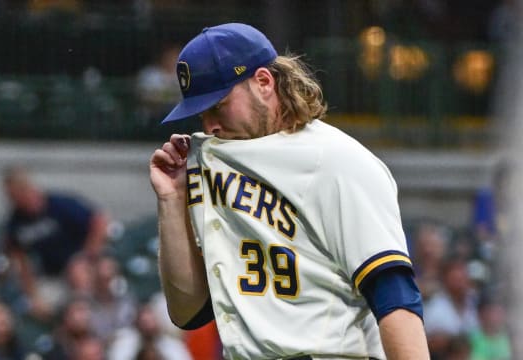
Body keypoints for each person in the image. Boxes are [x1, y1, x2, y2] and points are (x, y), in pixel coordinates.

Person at [149, 23, 429, 359]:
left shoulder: (339, 162)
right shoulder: (208, 164)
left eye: (219, 106)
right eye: (201, 114)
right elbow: (188, 313)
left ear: (264, 82)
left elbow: (396, 298)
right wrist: (171, 199)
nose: (210, 126)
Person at [2, 165, 110, 319]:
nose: (11, 199)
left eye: (14, 194)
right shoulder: (16, 221)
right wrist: (33, 296)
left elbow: (100, 220)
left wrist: (87, 256)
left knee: (77, 272)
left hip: (83, 264)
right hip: (52, 276)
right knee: (36, 306)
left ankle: (90, 316)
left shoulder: (58, 205)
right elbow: (21, 261)